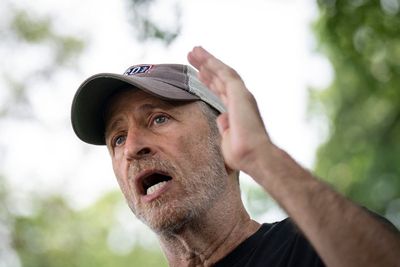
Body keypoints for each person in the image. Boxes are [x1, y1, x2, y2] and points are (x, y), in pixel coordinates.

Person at [71, 46, 400, 267]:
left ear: (224, 135)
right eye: (118, 138)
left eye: (158, 119)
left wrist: (261, 155)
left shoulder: (313, 249)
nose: (132, 149)